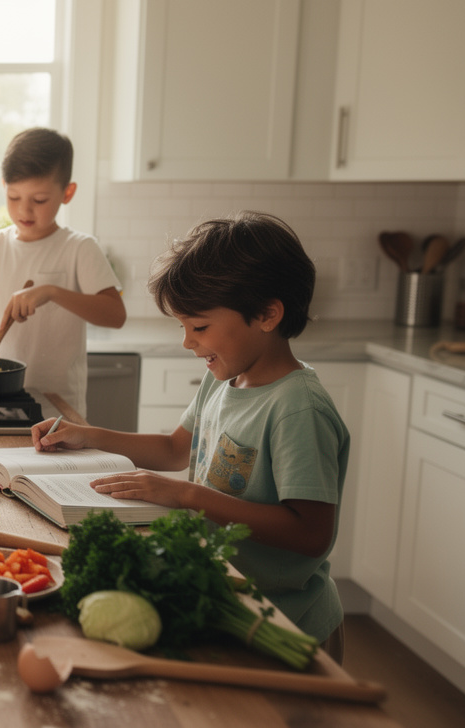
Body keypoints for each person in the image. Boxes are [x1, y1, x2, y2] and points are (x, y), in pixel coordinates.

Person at [32, 210, 349, 659]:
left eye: (199, 327)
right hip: (232, 599)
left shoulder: (297, 408)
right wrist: (89, 435)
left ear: (267, 314)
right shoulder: (224, 380)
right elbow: (174, 449)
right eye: (182, 327)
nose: (187, 342)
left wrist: (187, 496)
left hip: (289, 623)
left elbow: (311, 533)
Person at [0, 128, 125, 419]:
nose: (24, 210)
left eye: (39, 200)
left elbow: (115, 315)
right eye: (14, 197)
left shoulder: (79, 248)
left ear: (67, 193)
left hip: (57, 411)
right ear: (3, 186)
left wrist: (52, 292)